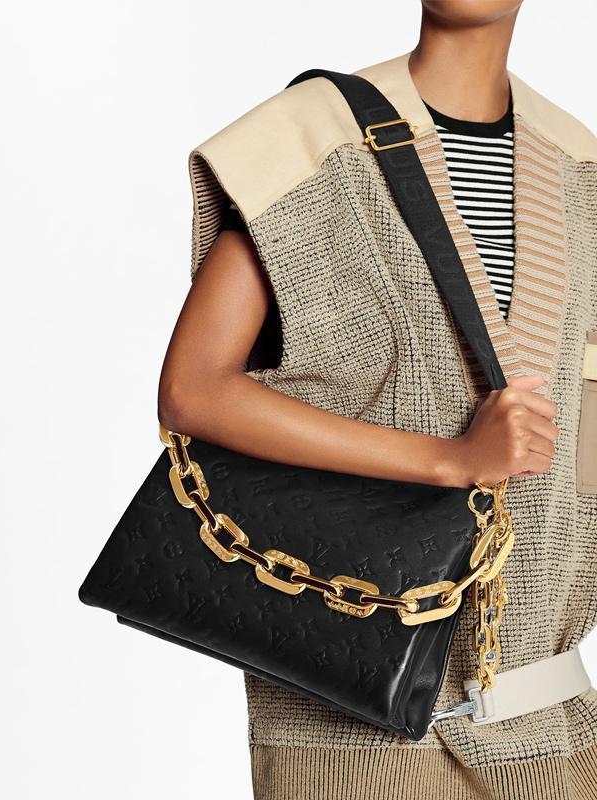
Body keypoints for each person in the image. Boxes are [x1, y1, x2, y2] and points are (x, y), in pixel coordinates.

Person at [157, 1, 597, 798]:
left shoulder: (580, 169)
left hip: (548, 723)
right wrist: (450, 458)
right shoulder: (310, 142)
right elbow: (194, 390)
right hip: (347, 721)